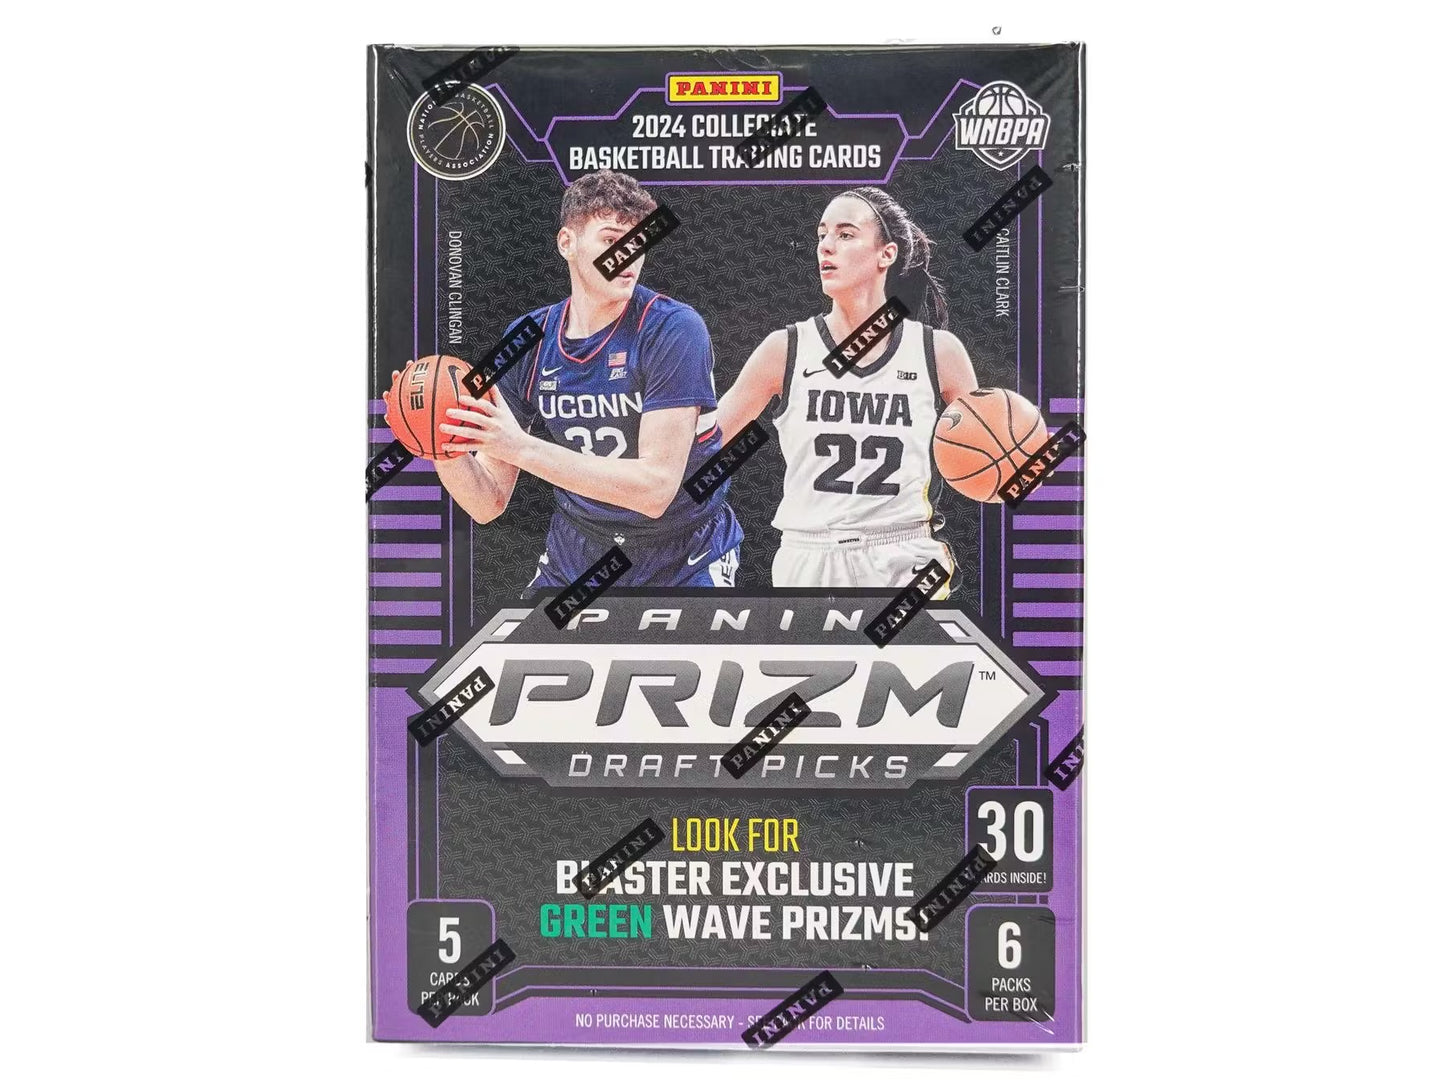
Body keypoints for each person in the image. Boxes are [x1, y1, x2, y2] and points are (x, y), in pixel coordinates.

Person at [402, 169, 742, 589]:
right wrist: (440, 442)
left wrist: (518, 445)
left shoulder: (674, 329)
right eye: (611, 238)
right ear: (568, 242)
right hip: (579, 550)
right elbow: (487, 502)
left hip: (682, 552)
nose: (628, 254)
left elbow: (655, 491)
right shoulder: (526, 339)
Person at [715, 186, 979, 591]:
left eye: (845, 234)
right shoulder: (786, 348)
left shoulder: (938, 351)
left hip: (904, 551)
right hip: (808, 553)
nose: (825, 246)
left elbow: (984, 455)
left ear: (886, 254)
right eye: (822, 234)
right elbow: (705, 444)